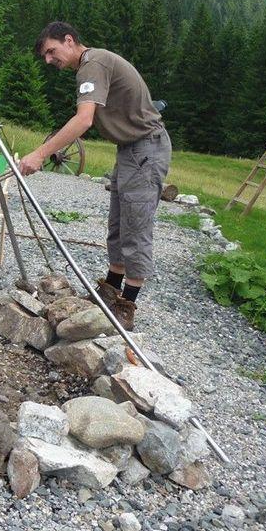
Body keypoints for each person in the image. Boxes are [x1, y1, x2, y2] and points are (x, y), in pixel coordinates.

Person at [21, 21, 171, 330]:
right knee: (118, 224)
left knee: (136, 227)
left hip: (146, 148)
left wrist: (39, 153)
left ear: (69, 40)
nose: (49, 60)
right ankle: (110, 290)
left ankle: (126, 307)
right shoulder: (90, 66)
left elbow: (84, 119)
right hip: (129, 150)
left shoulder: (93, 63)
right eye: (45, 57)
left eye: (51, 51)